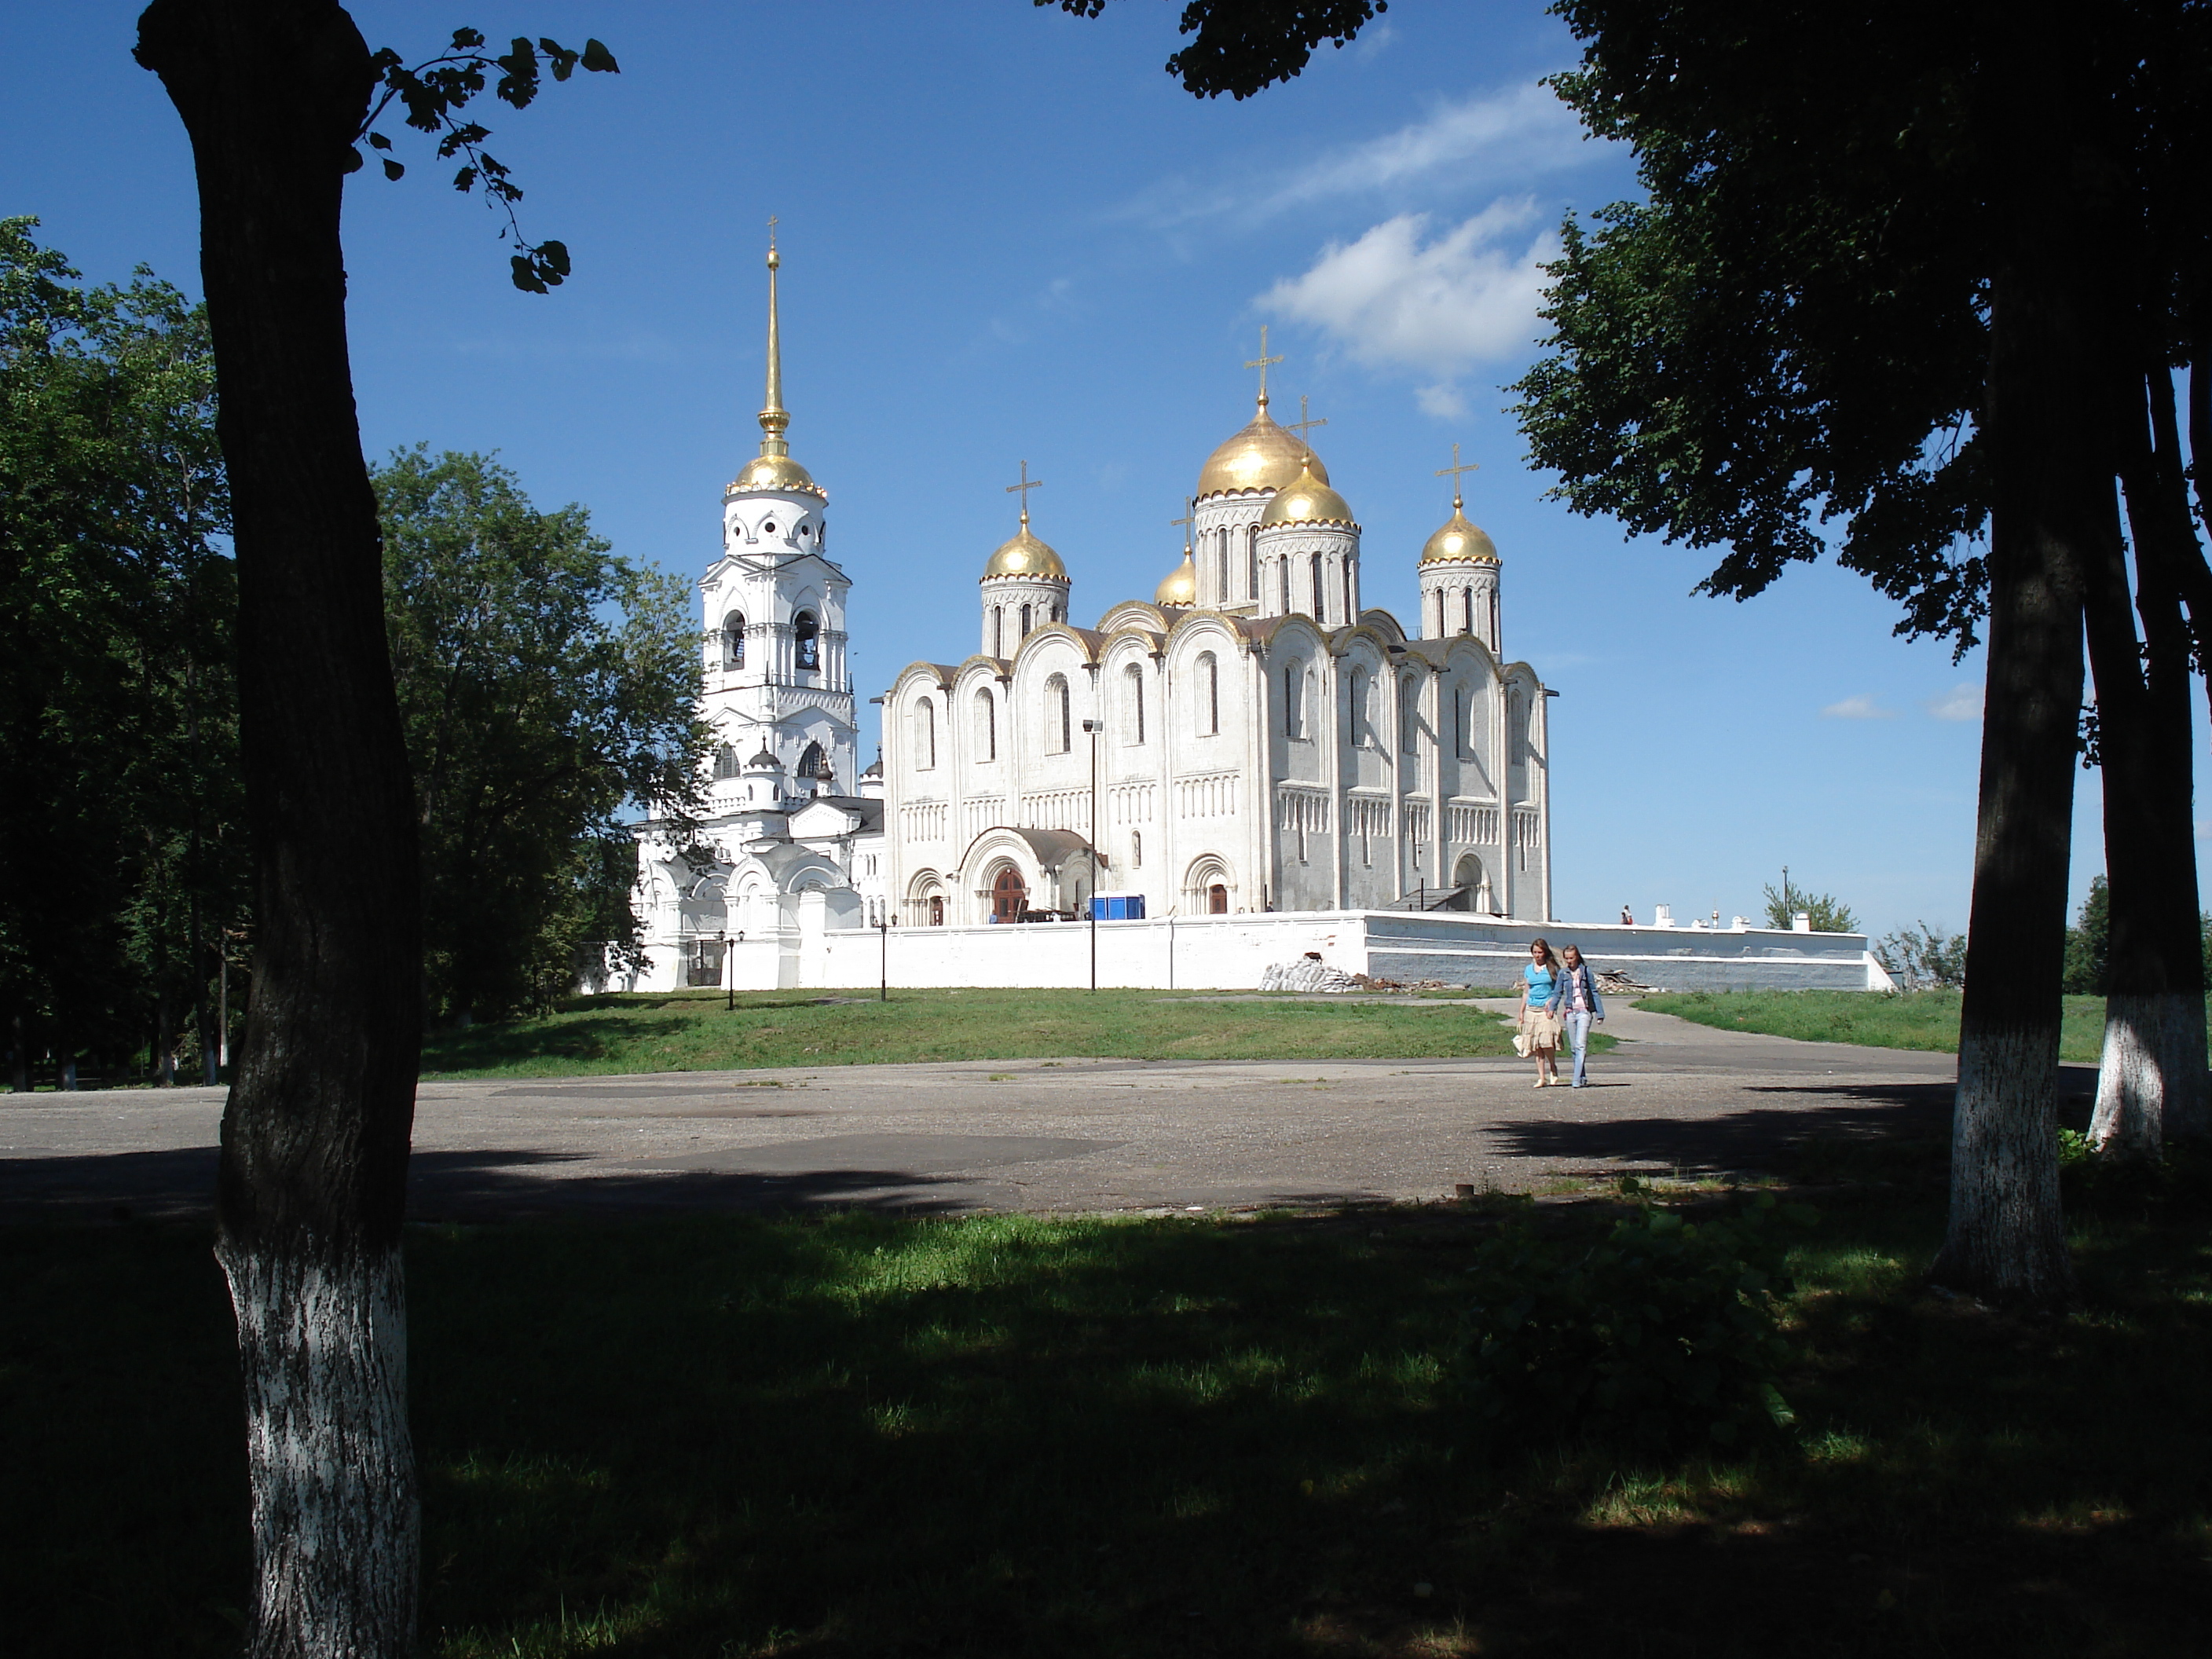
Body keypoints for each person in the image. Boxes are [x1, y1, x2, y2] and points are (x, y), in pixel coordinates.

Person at [1547, 943, 1606, 1089]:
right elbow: (1557, 992)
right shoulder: (1563, 973)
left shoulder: (1586, 972)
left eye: (1571, 958)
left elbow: (1594, 992)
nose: (1569, 961)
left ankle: (1575, 1080)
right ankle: (1582, 1076)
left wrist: (1600, 1013)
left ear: (1577, 957)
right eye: (1567, 958)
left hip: (1584, 1012)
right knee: (1574, 1047)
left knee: (1581, 1045)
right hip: (1570, 1013)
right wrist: (1552, 1008)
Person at [1518, 937, 1563, 1087]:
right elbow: (1526, 991)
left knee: (1547, 1043)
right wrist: (1521, 1011)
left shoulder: (1552, 968)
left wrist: (1552, 1003)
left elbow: (1558, 989)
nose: (1537, 955)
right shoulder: (1528, 969)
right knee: (1535, 1045)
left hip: (1546, 1010)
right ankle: (1541, 1078)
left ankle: (1553, 1068)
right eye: (1535, 952)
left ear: (1545, 952)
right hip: (1532, 1009)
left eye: (1540, 952)